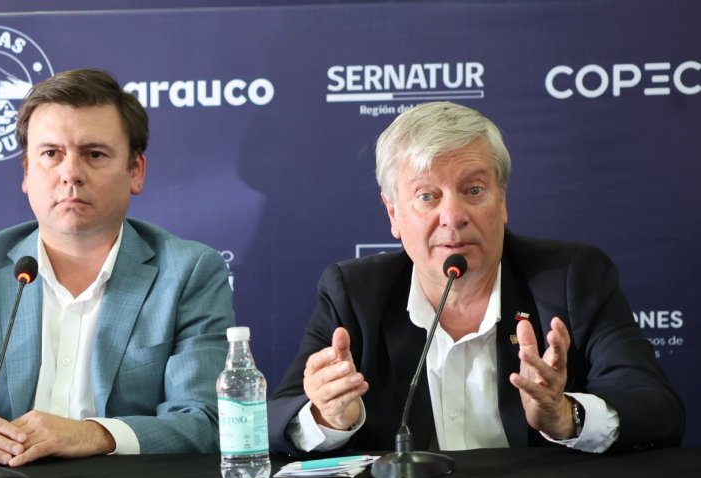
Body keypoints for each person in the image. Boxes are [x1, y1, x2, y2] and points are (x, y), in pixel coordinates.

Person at [269, 101, 683, 456]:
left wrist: (565, 416)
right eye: (427, 196)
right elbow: (274, 421)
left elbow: (656, 408)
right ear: (393, 213)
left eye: (474, 190)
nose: (453, 217)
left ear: (502, 201)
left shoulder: (572, 279)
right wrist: (327, 416)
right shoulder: (355, 294)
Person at [0, 68, 234, 465]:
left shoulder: (188, 272)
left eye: (94, 154)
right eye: (51, 154)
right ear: (26, 172)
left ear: (135, 171)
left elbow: (207, 422)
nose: (71, 174)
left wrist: (94, 434)